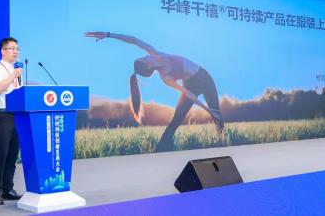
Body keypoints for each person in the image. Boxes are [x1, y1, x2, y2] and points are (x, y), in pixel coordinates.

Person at [85, 31, 224, 152]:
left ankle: (222, 141)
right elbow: (188, 93)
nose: (146, 56)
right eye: (145, 59)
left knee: (217, 114)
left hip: (206, 79)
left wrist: (108, 35)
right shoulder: (166, 77)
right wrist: (207, 109)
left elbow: (133, 40)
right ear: (148, 67)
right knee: (177, 118)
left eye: (144, 56)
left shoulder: (156, 54)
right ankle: (161, 148)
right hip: (190, 86)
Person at [0, 37, 24, 206]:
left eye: (17, 49)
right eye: (12, 48)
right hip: (1, 117)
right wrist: (13, 75)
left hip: (17, 117)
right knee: (1, 154)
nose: (16, 51)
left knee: (12, 155)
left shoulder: (16, 71)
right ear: (3, 51)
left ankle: (8, 189)